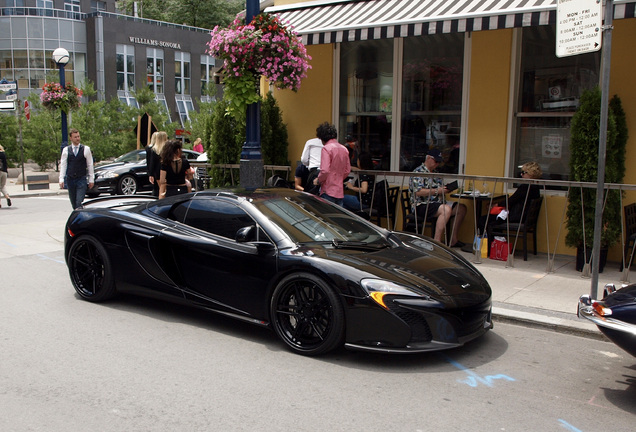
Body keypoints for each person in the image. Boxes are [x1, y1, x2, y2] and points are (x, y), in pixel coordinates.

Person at [473, 161, 543, 246]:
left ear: (531, 174)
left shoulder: (526, 187)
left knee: (484, 219)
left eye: (524, 173)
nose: (521, 175)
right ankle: (496, 244)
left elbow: (511, 200)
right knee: (493, 219)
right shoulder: (535, 187)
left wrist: (496, 205)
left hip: (516, 217)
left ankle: (487, 246)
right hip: (524, 216)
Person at [410, 148, 467, 247]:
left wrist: (447, 189)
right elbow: (418, 192)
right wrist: (438, 191)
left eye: (439, 162)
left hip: (438, 202)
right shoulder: (418, 172)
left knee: (461, 208)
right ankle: (437, 242)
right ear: (428, 158)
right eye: (436, 161)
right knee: (446, 210)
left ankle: (453, 239)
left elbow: (439, 189)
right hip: (422, 205)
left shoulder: (436, 172)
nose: (437, 164)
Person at [314, 122, 351, 206]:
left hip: (327, 190)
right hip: (339, 191)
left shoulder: (326, 149)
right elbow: (347, 170)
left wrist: (318, 180)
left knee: (325, 216)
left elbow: (325, 170)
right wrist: (338, 178)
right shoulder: (344, 149)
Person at [59, 128, 94, 209]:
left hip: (81, 179)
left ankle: (79, 218)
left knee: (79, 202)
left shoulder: (86, 149)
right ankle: (77, 218)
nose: (77, 138)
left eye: (78, 136)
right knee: (74, 202)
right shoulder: (66, 150)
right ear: (71, 138)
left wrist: (91, 179)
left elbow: (90, 164)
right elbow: (63, 165)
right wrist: (61, 179)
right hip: (70, 179)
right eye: (75, 137)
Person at [147, 131, 168, 197]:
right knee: (166, 189)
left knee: (161, 189)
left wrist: (151, 174)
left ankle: (161, 202)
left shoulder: (154, 149)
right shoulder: (167, 149)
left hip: (157, 171)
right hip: (167, 170)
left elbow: (152, 162)